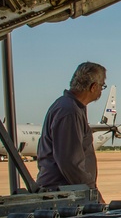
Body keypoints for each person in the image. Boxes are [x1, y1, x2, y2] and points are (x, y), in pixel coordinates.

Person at [36, 62, 106, 200]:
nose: (101, 91)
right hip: (64, 194)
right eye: (102, 86)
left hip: (66, 191)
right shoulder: (70, 112)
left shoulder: (70, 107)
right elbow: (70, 163)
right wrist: (92, 195)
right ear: (93, 87)